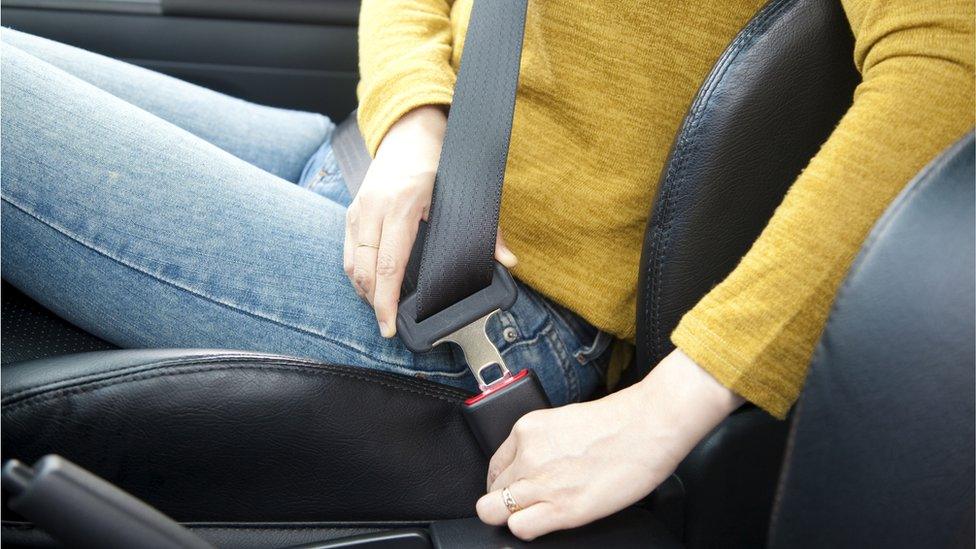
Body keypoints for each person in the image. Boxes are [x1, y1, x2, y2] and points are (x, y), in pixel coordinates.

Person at [1, 0, 972, 540]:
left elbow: (952, 57)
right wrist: (413, 128)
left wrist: (677, 398)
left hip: (482, 315)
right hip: (375, 171)